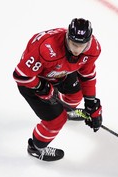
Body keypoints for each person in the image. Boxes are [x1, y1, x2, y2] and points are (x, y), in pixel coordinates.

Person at [13, 18, 103, 161]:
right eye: (74, 44)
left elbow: (87, 75)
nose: (77, 50)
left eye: (82, 45)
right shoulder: (47, 48)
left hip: (61, 71)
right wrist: (41, 87)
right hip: (34, 80)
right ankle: (36, 148)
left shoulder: (93, 49)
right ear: (67, 37)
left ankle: (67, 111)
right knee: (56, 120)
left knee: (76, 95)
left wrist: (91, 103)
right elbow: (20, 75)